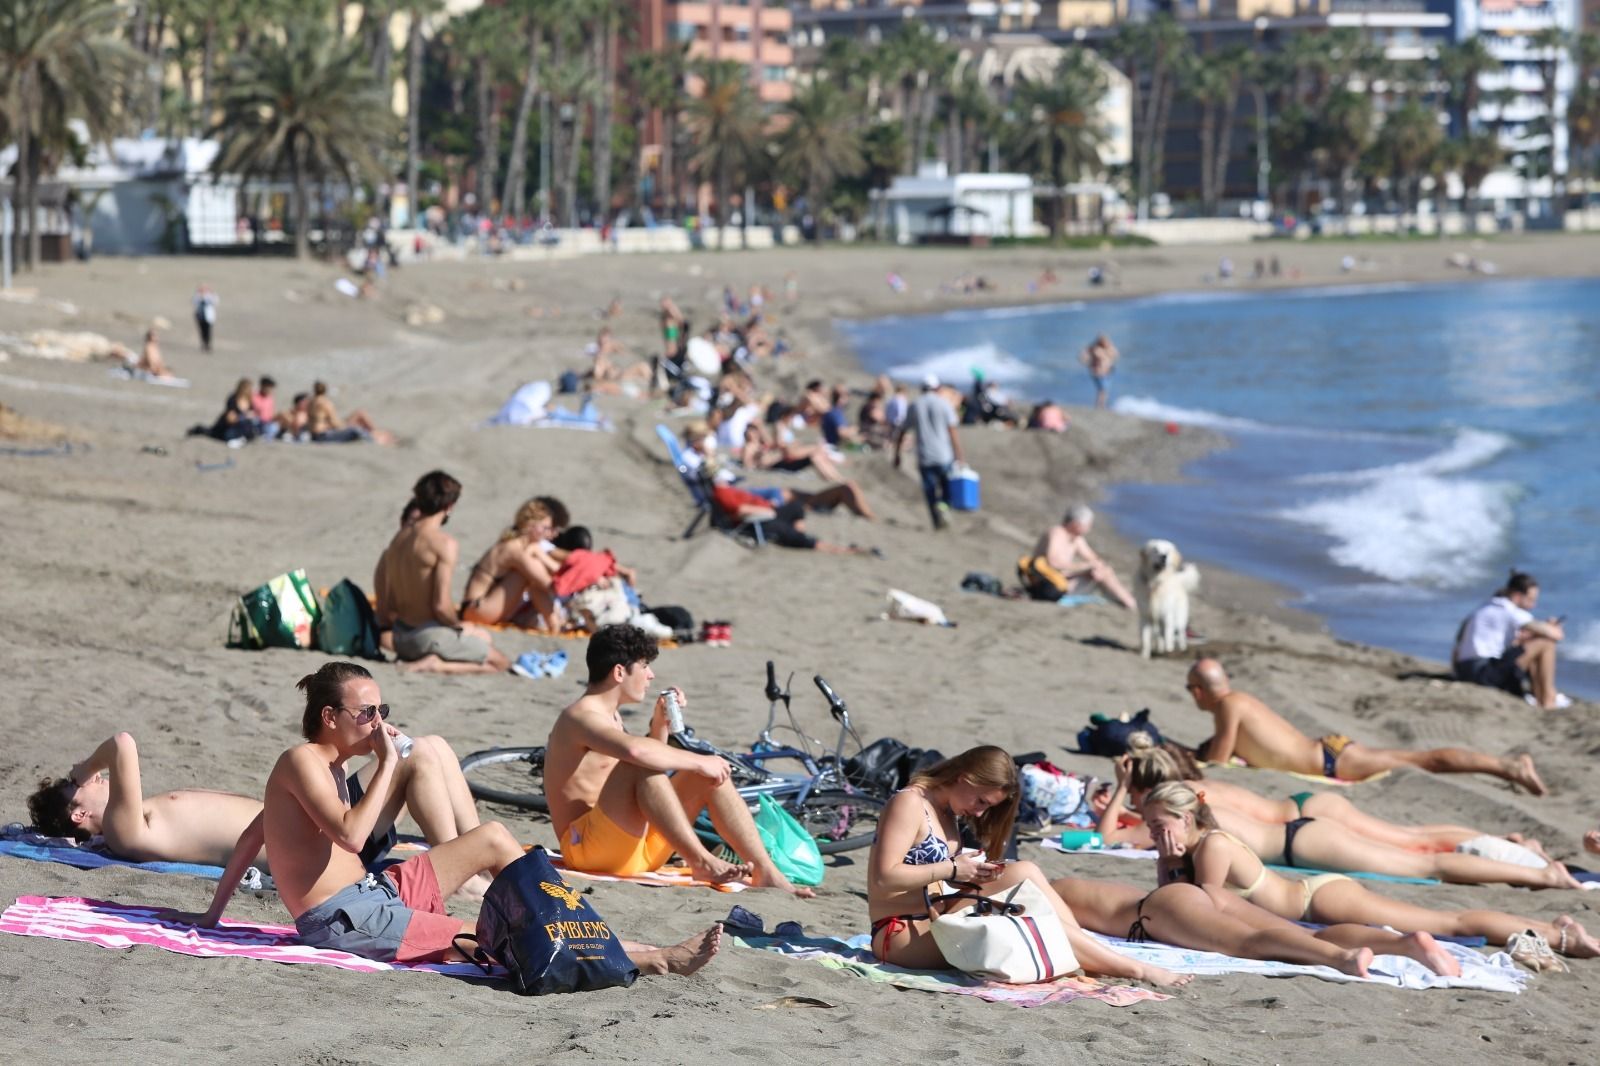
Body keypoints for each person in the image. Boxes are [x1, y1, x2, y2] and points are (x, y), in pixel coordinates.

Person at [181, 662, 721, 976]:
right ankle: (653, 959)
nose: (377, 722)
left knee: (492, 837)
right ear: (329, 718)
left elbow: (256, 831)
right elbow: (350, 832)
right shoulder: (303, 760)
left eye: (381, 712)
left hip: (376, 891)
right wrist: (389, 760)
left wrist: (214, 913)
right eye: (366, 713)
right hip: (345, 920)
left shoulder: (334, 765)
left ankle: (569, 913)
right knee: (488, 931)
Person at [1143, 782, 1600, 965]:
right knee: (1430, 896)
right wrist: (1168, 860)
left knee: (1446, 922)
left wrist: (1168, 862)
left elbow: (1201, 908)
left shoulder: (1215, 845)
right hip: (1309, 902)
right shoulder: (1200, 846)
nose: (1153, 834)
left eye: (1158, 826)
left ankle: (1557, 932)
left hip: (1316, 899)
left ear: (1185, 820)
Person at [866, 745, 1191, 987]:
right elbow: (885, 879)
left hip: (938, 917)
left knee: (1025, 871)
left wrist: (973, 873)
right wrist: (952, 869)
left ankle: (1091, 954)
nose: (979, 813)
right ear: (964, 778)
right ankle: (1131, 967)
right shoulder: (909, 803)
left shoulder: (947, 811)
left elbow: (936, 879)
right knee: (1028, 920)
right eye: (981, 801)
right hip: (900, 933)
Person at [543, 625, 815, 897]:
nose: (651, 675)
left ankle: (766, 871)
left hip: (634, 850)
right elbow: (637, 755)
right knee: (652, 762)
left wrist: (660, 723)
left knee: (709, 777)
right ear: (618, 672)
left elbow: (648, 775)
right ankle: (701, 861)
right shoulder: (579, 717)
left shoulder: (611, 716)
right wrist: (698, 760)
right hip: (589, 850)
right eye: (644, 666)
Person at [1113, 733, 1579, 889]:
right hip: (1302, 816)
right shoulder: (1197, 794)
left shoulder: (1174, 815)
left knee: (1425, 861)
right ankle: (1510, 847)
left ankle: (1542, 875)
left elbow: (1108, 838)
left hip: (1303, 840)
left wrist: (1117, 796)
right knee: (1414, 837)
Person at [31, 727, 493, 884]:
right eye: (79, 785)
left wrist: (84, 775)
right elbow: (123, 744)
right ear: (77, 814)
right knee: (421, 759)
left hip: (314, 822)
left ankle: (484, 871)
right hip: (320, 845)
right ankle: (466, 867)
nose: (91, 778)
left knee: (428, 746)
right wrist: (85, 762)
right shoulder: (122, 830)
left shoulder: (133, 820)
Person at [1186, 658, 1547, 794]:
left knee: (1427, 761)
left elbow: (1219, 759)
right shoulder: (1241, 699)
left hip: (1332, 762)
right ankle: (1507, 767)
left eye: (1191, 690)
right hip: (1330, 751)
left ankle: (1508, 767)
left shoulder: (1228, 706)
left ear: (1201, 691)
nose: (1191, 698)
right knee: (1422, 758)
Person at [374, 470, 511, 675]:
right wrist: (457, 625)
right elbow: (440, 606)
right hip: (428, 636)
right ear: (449, 506)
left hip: (400, 637)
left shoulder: (398, 540)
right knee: (501, 663)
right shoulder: (444, 544)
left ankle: (433, 658)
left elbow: (388, 603)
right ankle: (436, 665)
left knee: (479, 638)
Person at [1452, 570, 1570, 709]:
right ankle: (1548, 700)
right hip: (1482, 672)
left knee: (1529, 644)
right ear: (1517, 595)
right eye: (1531, 599)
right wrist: (1551, 626)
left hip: (1464, 670)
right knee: (1546, 643)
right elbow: (1555, 635)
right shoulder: (1511, 611)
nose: (1533, 605)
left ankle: (1543, 695)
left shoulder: (1487, 606)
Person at [460, 499, 563, 630]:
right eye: (545, 527)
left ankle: (554, 623)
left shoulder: (517, 544)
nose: (548, 533)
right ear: (529, 525)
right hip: (476, 610)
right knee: (527, 577)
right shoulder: (515, 550)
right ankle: (554, 625)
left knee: (530, 576)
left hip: (476, 608)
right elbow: (548, 584)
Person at [1019, 505, 1137, 610]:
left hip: (1061, 581)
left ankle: (1126, 601)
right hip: (1048, 585)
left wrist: (1095, 568)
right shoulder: (1057, 532)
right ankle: (1130, 603)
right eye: (1088, 525)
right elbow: (1054, 564)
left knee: (1102, 571)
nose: (1089, 529)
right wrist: (1085, 567)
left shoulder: (1076, 539)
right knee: (1099, 571)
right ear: (1076, 524)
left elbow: (1094, 559)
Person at [893, 374, 964, 530]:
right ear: (937, 388)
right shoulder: (944, 404)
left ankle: (936, 522)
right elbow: (952, 431)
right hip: (944, 455)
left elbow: (902, 431)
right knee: (947, 488)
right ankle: (944, 508)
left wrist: (897, 454)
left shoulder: (915, 405)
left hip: (925, 456)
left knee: (930, 491)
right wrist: (959, 455)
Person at [308, 381, 396, 445]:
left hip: (316, 435)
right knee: (355, 430)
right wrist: (347, 426)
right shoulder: (325, 403)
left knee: (357, 420)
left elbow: (318, 422)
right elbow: (334, 423)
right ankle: (377, 440)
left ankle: (375, 435)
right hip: (322, 437)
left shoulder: (311, 402)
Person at [1080, 333, 1119, 409]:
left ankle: (1101, 405)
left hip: (1108, 372)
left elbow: (1116, 355)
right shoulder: (1095, 348)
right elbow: (1082, 355)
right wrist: (1088, 363)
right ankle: (1100, 405)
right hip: (1098, 372)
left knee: (1104, 390)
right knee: (1102, 389)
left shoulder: (1109, 348)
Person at [193, 283, 218, 352]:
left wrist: (205, 297)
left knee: (208, 330)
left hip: (208, 316)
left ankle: (208, 344)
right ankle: (203, 343)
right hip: (200, 315)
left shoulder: (211, 295)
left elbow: (215, 302)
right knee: (202, 330)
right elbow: (194, 302)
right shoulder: (197, 295)